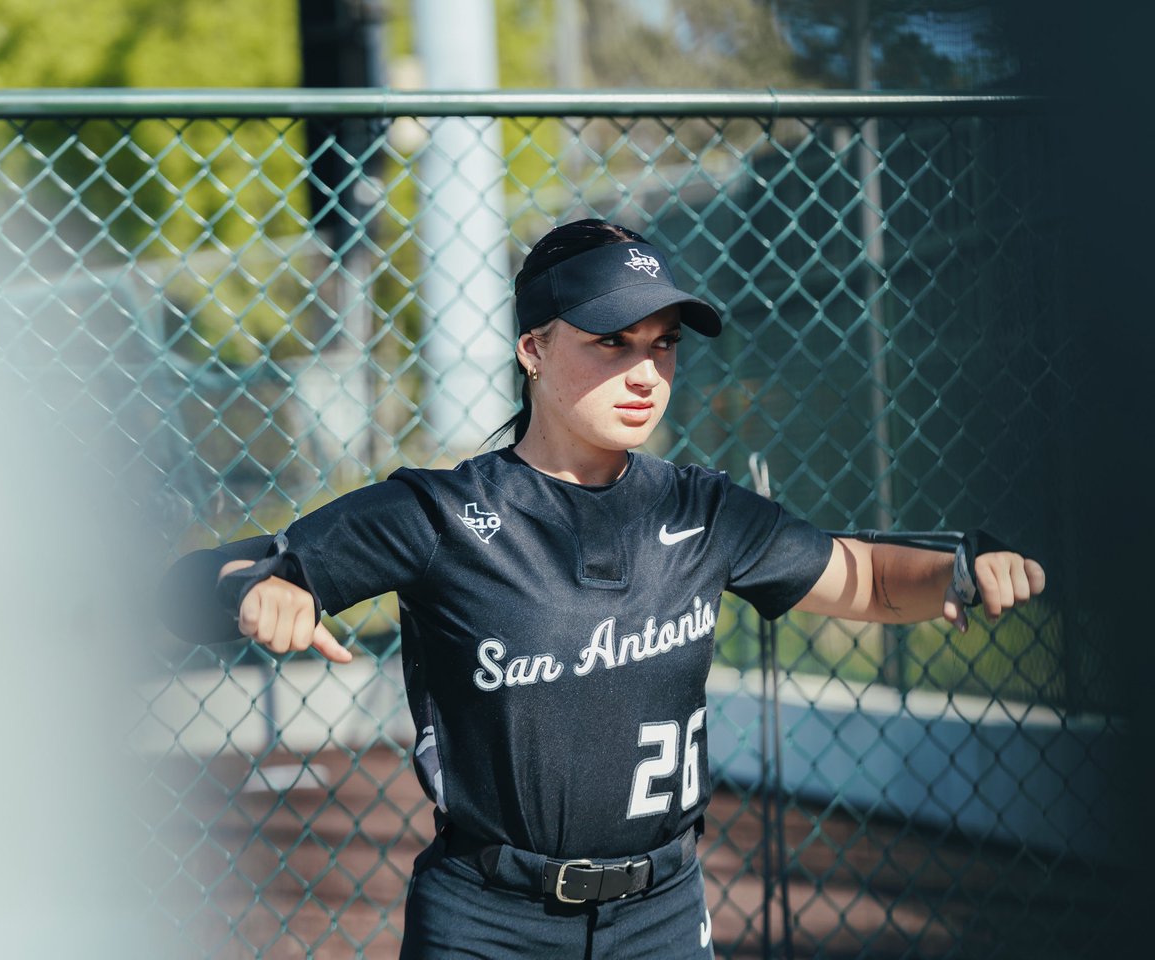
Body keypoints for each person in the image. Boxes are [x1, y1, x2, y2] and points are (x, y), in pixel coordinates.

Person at [159, 219, 1046, 959]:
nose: (644, 373)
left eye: (662, 347)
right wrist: (258, 594)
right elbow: (213, 577)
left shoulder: (703, 510)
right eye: (611, 343)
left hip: (660, 915)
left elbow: (867, 579)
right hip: (486, 919)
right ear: (533, 349)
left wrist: (962, 570)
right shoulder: (440, 511)